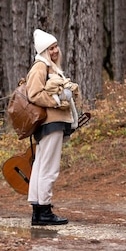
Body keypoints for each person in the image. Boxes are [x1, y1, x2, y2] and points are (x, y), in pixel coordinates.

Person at [26, 29, 80, 225]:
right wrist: (56, 102)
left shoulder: (49, 66)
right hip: (50, 122)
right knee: (48, 167)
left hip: (51, 123)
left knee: (41, 166)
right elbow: (33, 94)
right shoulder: (40, 66)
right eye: (51, 48)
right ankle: (45, 211)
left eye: (56, 46)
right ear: (43, 51)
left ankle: (38, 211)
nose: (55, 51)